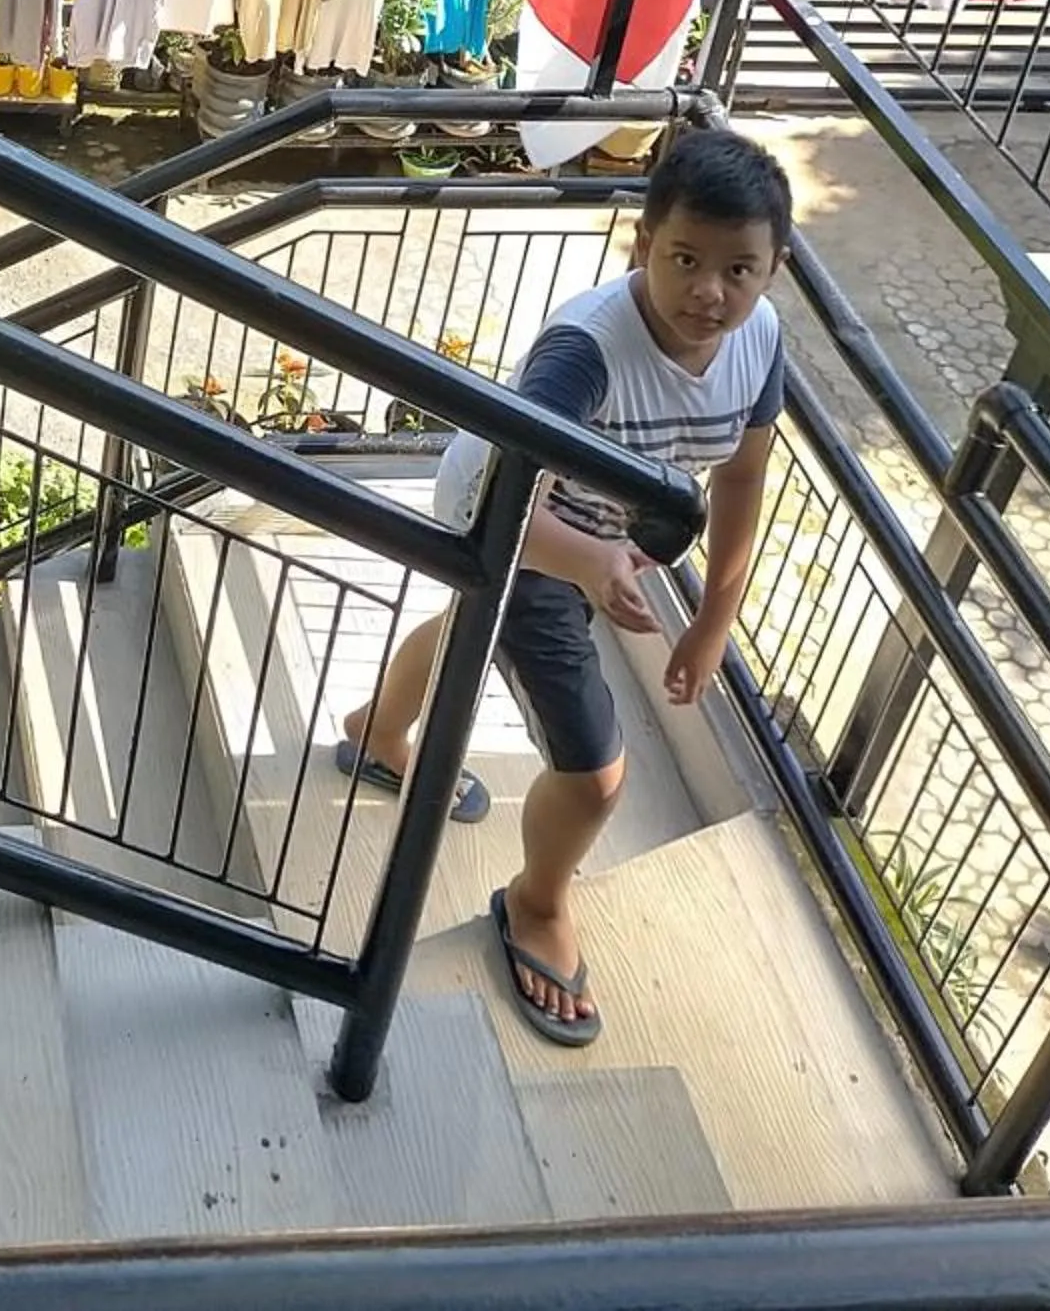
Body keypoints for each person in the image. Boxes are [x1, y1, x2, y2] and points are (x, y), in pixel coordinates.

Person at [333, 127, 792, 1049]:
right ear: (643, 245)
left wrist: (714, 617)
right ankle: (537, 903)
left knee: (472, 625)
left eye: (740, 269)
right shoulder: (586, 352)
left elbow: (743, 476)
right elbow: (507, 495)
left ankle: (378, 731)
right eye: (685, 259)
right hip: (514, 528)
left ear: (774, 268)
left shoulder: (760, 339)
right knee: (593, 774)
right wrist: (586, 561)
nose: (711, 291)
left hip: (590, 529)